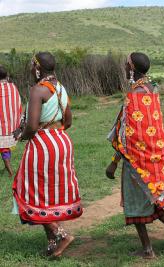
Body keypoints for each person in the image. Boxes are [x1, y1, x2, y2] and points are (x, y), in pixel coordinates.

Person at [109, 52, 164, 259]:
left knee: (135, 202)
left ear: (132, 68)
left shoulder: (134, 95)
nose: (125, 69)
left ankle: (148, 249)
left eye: (126, 65)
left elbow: (125, 132)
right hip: (154, 154)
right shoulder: (153, 90)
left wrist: (114, 161)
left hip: (136, 158)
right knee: (149, 198)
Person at [12, 52, 82, 257]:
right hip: (61, 141)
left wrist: (22, 136)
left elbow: (32, 127)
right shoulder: (60, 88)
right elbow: (68, 121)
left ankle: (61, 234)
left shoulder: (38, 90)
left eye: (29, 66)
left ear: (37, 68)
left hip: (42, 144)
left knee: (24, 190)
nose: (28, 70)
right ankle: (52, 244)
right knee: (47, 193)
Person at [0, 65, 22, 177]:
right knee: (5, 147)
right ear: (7, 76)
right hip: (11, 123)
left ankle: (10, 172)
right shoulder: (13, 87)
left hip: (2, 125)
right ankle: (7, 167)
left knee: (4, 148)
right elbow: (18, 102)